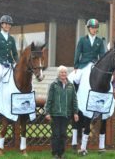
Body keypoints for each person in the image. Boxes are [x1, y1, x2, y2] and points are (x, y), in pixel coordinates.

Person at [68, 18, 106, 151]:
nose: (94, 29)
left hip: (95, 65)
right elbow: (78, 53)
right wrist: (76, 66)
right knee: (72, 78)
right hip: (84, 65)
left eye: (96, 28)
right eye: (92, 27)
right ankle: (73, 98)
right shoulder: (82, 40)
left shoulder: (100, 41)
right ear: (88, 28)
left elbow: (102, 55)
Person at [45, 65, 79, 159]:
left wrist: (75, 113)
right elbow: (49, 99)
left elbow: (74, 100)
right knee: (56, 134)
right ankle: (55, 154)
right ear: (58, 74)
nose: (63, 74)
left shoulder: (71, 86)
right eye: (61, 72)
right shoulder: (53, 85)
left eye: (65, 72)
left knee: (63, 134)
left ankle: (62, 153)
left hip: (66, 114)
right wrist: (47, 112)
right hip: (55, 114)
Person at [0, 15, 18, 82]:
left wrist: (17, 62)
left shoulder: (11, 39)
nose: (8, 26)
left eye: (9, 24)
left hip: (10, 63)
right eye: (6, 24)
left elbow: (15, 53)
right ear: (1, 24)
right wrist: (2, 61)